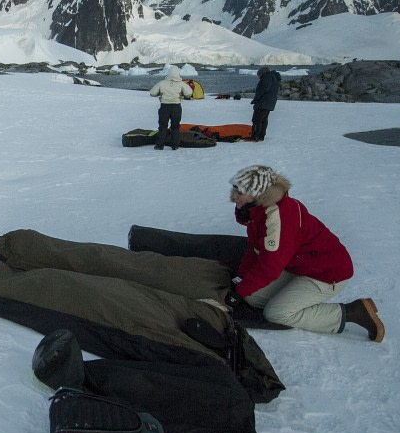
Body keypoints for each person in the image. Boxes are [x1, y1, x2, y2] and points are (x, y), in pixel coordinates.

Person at [225, 165, 385, 342]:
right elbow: (255, 250)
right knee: (252, 296)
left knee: (276, 313)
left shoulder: (278, 217)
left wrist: (238, 292)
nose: (234, 196)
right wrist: (241, 280)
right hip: (300, 267)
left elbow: (270, 267)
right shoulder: (257, 212)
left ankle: (353, 312)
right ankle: (290, 299)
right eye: (234, 189)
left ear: (257, 194)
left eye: (240, 192)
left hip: (326, 273)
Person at [149, 67, 192, 150]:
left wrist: (159, 94)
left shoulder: (162, 83)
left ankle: (160, 145)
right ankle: (175, 145)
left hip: (164, 106)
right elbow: (189, 93)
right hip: (176, 106)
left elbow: (152, 93)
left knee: (163, 126)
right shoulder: (181, 83)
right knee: (175, 127)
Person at [251, 66, 281, 141]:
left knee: (257, 119)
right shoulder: (274, 78)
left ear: (262, 73)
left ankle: (255, 136)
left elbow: (264, 89)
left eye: (259, 75)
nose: (259, 77)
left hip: (263, 102)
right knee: (264, 119)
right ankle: (261, 136)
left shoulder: (267, 77)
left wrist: (256, 99)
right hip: (270, 102)